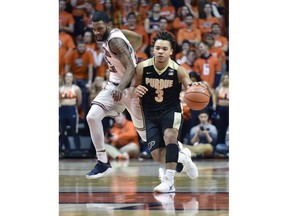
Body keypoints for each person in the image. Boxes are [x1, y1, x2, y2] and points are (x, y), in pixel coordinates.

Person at [131, 31, 200, 193]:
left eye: (164, 48)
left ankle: (169, 182)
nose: (160, 51)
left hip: (172, 110)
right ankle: (184, 158)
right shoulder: (143, 67)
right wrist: (136, 89)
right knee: (156, 155)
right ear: (153, 50)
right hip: (150, 113)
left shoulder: (179, 70)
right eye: (157, 48)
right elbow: (133, 87)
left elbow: (190, 87)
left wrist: (196, 89)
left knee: (170, 136)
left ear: (171, 51)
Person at [85, 11, 146, 179]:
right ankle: (103, 162)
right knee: (92, 117)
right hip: (114, 85)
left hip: (128, 89)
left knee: (146, 136)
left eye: (99, 29)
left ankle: (178, 153)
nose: (96, 33)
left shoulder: (116, 41)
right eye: (94, 29)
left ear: (109, 25)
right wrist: (132, 52)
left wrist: (120, 86)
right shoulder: (119, 33)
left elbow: (131, 68)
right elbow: (140, 39)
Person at [59, 72, 82, 157]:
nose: (68, 78)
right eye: (67, 77)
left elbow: (79, 101)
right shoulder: (60, 89)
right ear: (64, 78)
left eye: (70, 77)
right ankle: (64, 149)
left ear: (72, 78)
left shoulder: (76, 88)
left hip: (72, 109)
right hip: (62, 110)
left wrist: (73, 106)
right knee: (62, 131)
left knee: (74, 130)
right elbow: (59, 100)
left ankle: (78, 150)